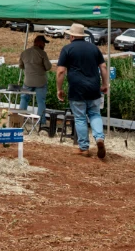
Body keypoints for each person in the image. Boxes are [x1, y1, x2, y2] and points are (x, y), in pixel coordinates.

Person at [55, 23, 109, 159]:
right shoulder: (94, 48)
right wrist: (104, 84)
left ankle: (84, 148)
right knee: (95, 114)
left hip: (76, 89)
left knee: (80, 118)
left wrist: (59, 89)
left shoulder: (67, 49)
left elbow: (61, 71)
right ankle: (99, 138)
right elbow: (103, 67)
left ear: (72, 36)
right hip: (94, 88)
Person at [18, 34, 52, 123]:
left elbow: (20, 66)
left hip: (28, 81)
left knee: (24, 99)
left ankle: (20, 119)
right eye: (44, 43)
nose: (44, 45)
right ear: (39, 43)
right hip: (40, 82)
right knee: (41, 101)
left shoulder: (24, 53)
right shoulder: (43, 53)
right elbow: (48, 67)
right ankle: (41, 121)